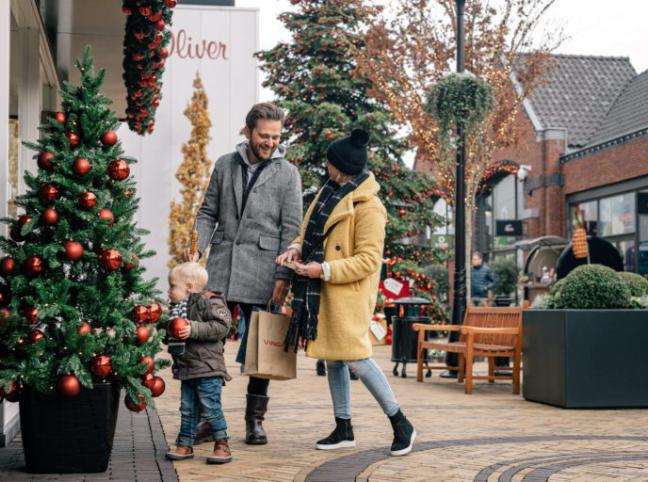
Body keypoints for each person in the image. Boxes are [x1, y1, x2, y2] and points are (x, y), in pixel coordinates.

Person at [276, 128, 416, 457]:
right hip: (322, 291)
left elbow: (368, 262)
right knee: (333, 358)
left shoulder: (370, 207)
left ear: (341, 167)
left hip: (345, 294)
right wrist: (295, 250)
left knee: (357, 358)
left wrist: (323, 270)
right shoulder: (327, 192)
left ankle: (401, 423)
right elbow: (308, 234)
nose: (326, 165)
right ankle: (343, 427)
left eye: (330, 162)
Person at [190, 103, 303, 445]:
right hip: (222, 267)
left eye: (276, 137)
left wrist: (284, 276)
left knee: (262, 348)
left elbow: (292, 228)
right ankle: (209, 419)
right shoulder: (225, 165)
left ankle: (255, 421)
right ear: (249, 131)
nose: (270, 142)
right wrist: (196, 250)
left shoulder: (288, 173)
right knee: (209, 345)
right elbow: (208, 212)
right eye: (264, 136)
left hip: (265, 270)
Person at [165, 262, 233, 464]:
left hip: (208, 369)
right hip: (187, 370)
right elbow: (171, 336)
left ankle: (222, 444)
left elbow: (221, 326)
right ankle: (185, 444)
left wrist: (193, 328)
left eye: (172, 287)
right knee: (187, 409)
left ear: (190, 287)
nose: (168, 291)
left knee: (211, 408)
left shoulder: (209, 303)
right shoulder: (178, 310)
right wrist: (167, 330)